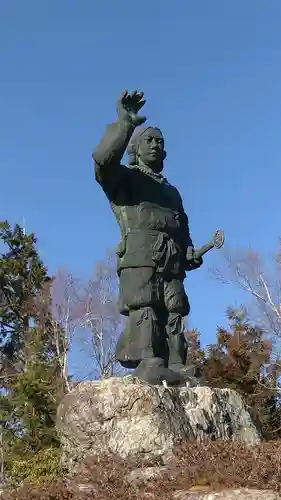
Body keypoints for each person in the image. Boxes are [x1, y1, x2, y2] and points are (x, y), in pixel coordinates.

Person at [92, 90, 203, 386]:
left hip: (171, 260)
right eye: (149, 140)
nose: (155, 144)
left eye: (160, 142)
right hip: (141, 256)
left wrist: (189, 250)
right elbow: (103, 161)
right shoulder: (125, 180)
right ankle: (148, 360)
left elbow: (182, 226)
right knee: (146, 305)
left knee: (175, 309)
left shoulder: (171, 192)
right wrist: (125, 124)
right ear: (136, 149)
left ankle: (177, 362)